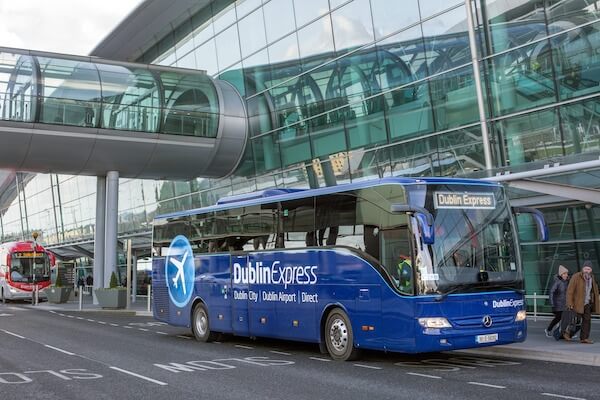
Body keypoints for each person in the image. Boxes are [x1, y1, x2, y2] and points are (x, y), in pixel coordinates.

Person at [565, 261, 600, 343]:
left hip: (587, 303)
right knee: (575, 320)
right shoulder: (576, 276)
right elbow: (570, 291)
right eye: (585, 269)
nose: (587, 271)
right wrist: (570, 303)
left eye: (589, 269)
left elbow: (594, 290)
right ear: (582, 269)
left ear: (591, 270)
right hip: (577, 303)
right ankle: (567, 332)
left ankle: (584, 338)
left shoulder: (592, 278)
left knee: (587, 320)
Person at [545, 265, 569, 337]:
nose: (566, 275)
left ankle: (564, 333)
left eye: (567, 273)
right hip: (557, 304)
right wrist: (552, 304)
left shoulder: (567, 282)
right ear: (561, 274)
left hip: (565, 304)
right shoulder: (557, 282)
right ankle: (549, 329)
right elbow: (551, 292)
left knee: (565, 318)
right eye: (564, 274)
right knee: (558, 318)